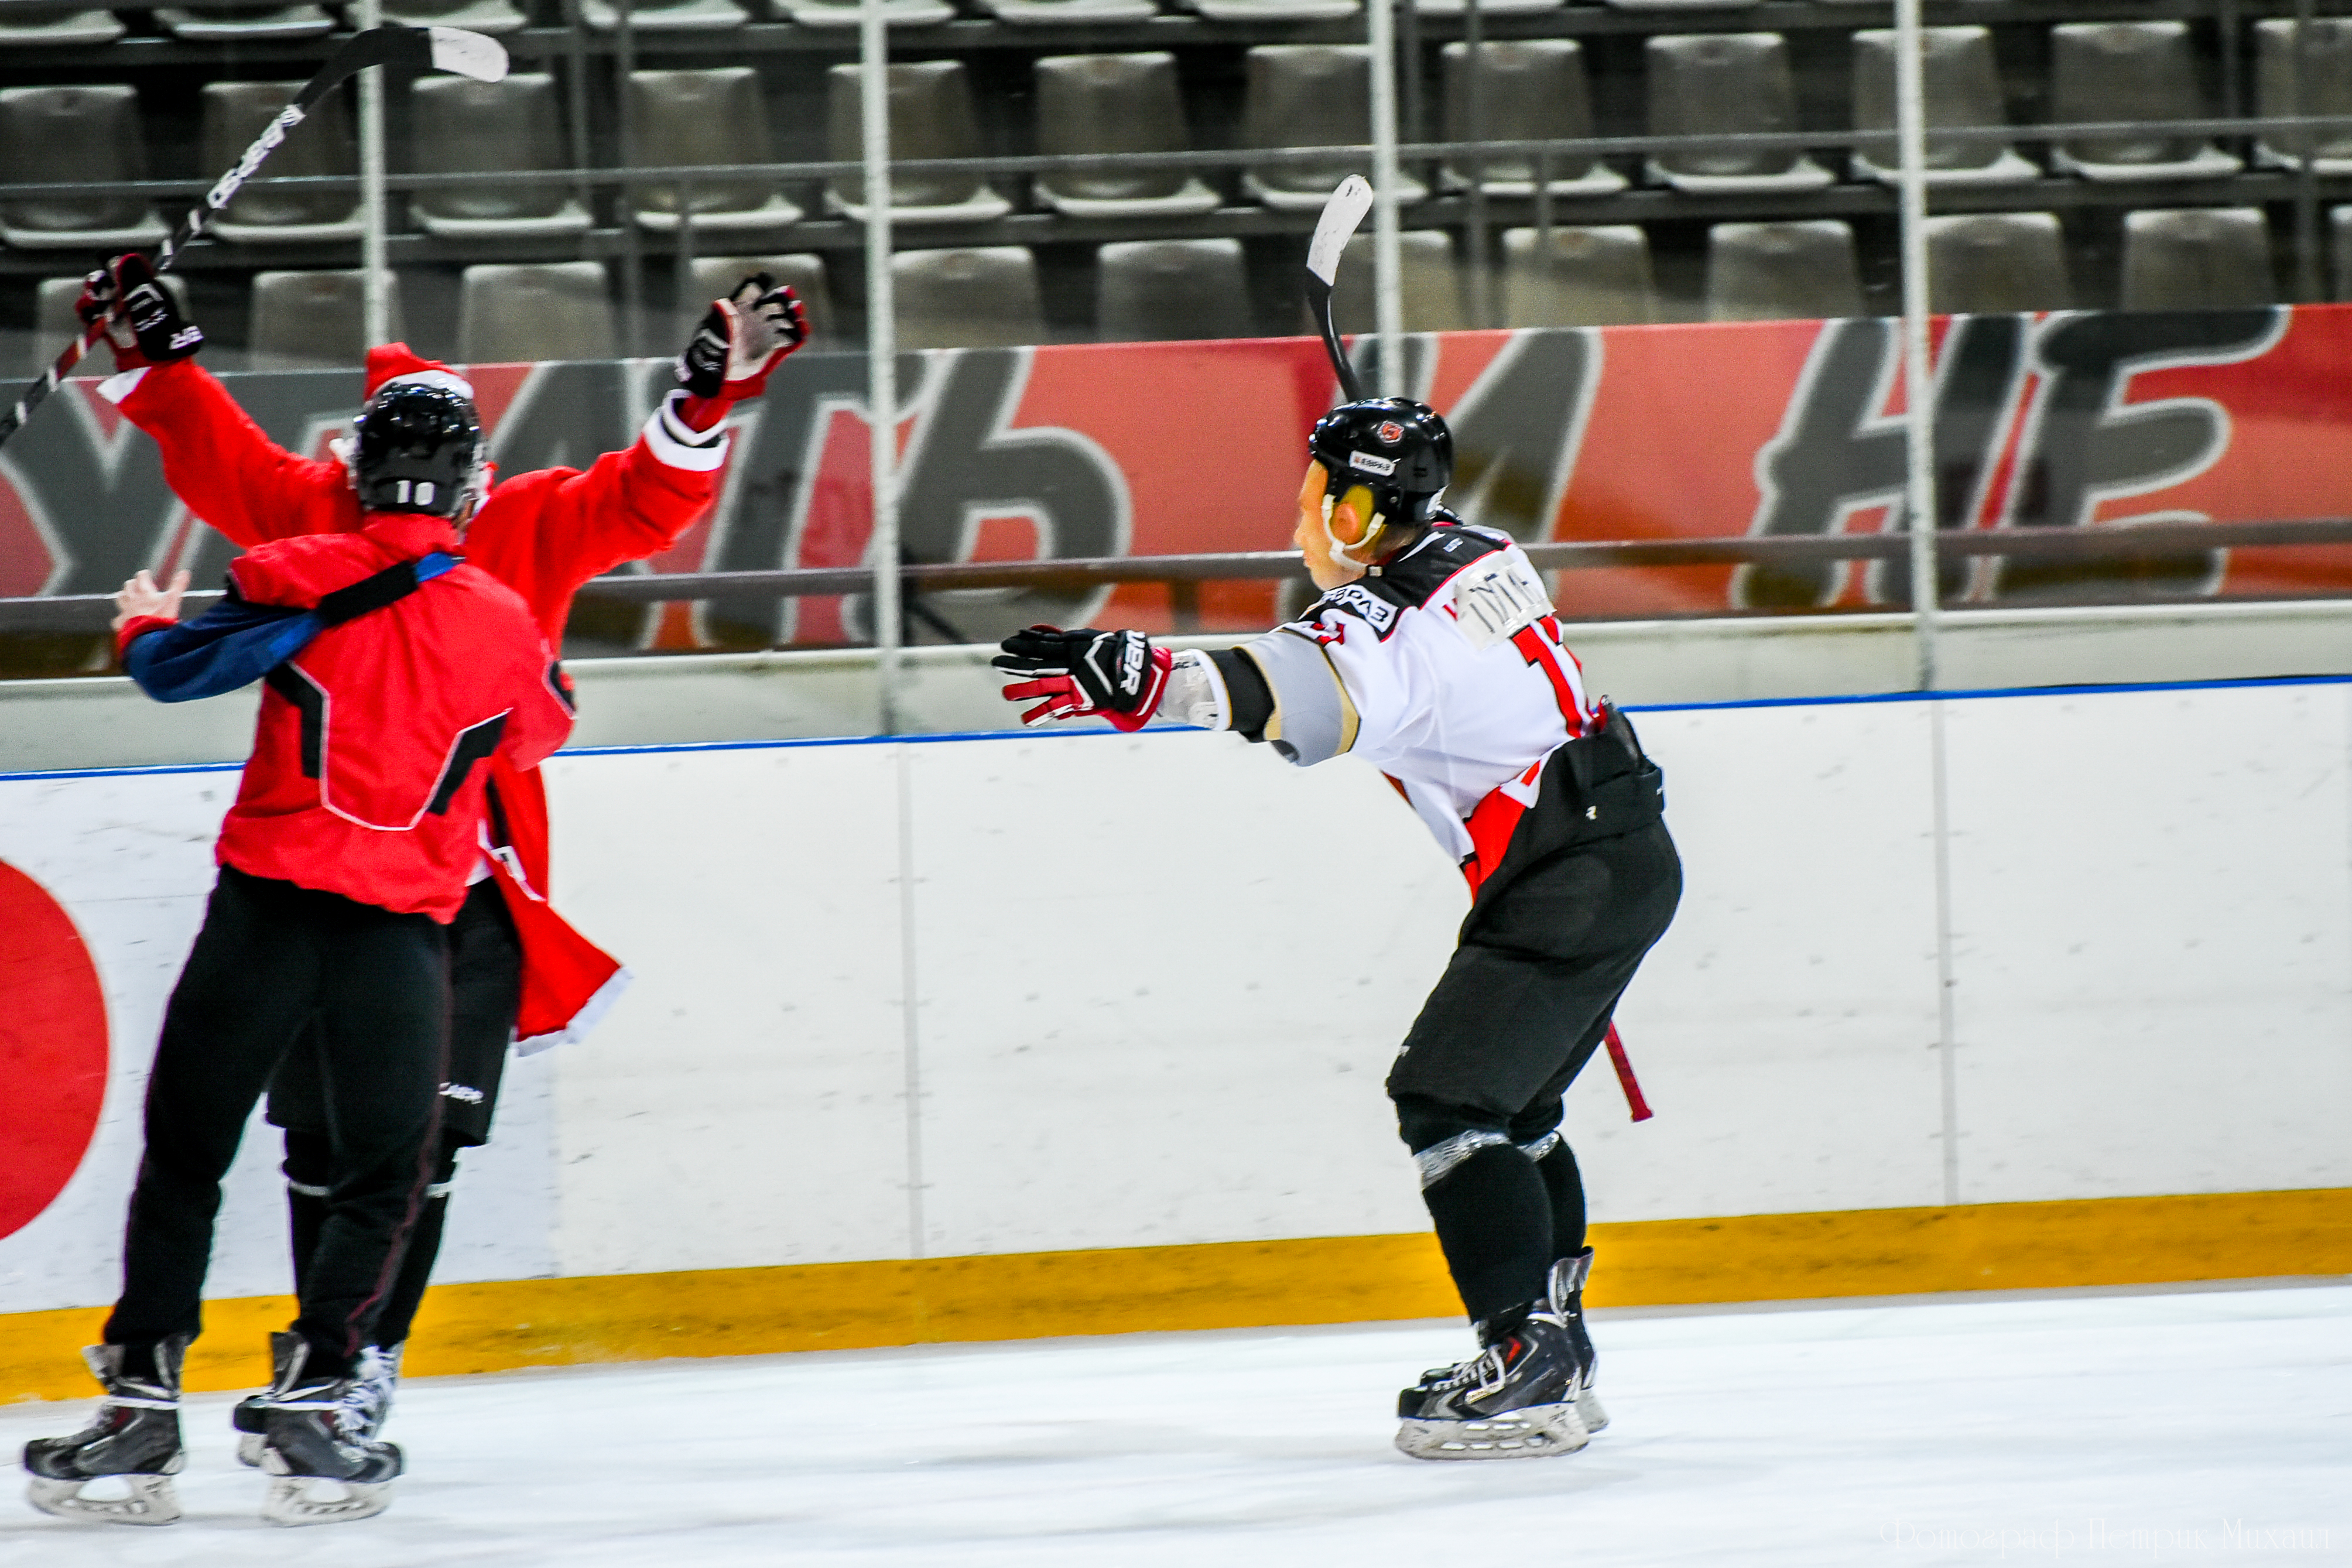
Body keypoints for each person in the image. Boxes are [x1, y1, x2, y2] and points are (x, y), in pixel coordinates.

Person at [64, 254, 807, 1452]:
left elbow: (639, 497)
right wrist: (160, 356)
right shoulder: (327, 517)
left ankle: (348, 1368)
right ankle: (326, 1364)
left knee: (421, 1148)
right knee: (337, 1143)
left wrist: (701, 398)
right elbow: (228, 456)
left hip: (457, 895)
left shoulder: (519, 523)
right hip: (357, 890)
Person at [992, 396, 1683, 1461]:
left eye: (1319, 494)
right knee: (1519, 1107)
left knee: (1447, 1099)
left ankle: (1522, 1359)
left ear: (1360, 511)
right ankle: (1555, 1350)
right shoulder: (1485, 551)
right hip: (1617, 849)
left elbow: (1292, 695)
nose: (1302, 515)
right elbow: (1357, 634)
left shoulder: (1387, 628)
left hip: (1570, 877)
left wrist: (1140, 676)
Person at [23, 375, 576, 1526]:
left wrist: (141, 618)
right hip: (401, 939)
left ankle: (141, 1401)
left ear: (357, 470)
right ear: (472, 485)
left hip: (264, 918)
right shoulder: (501, 618)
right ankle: (316, 1399)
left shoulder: (294, 573)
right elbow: (543, 726)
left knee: (189, 1149)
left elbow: (176, 671)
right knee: (382, 1179)